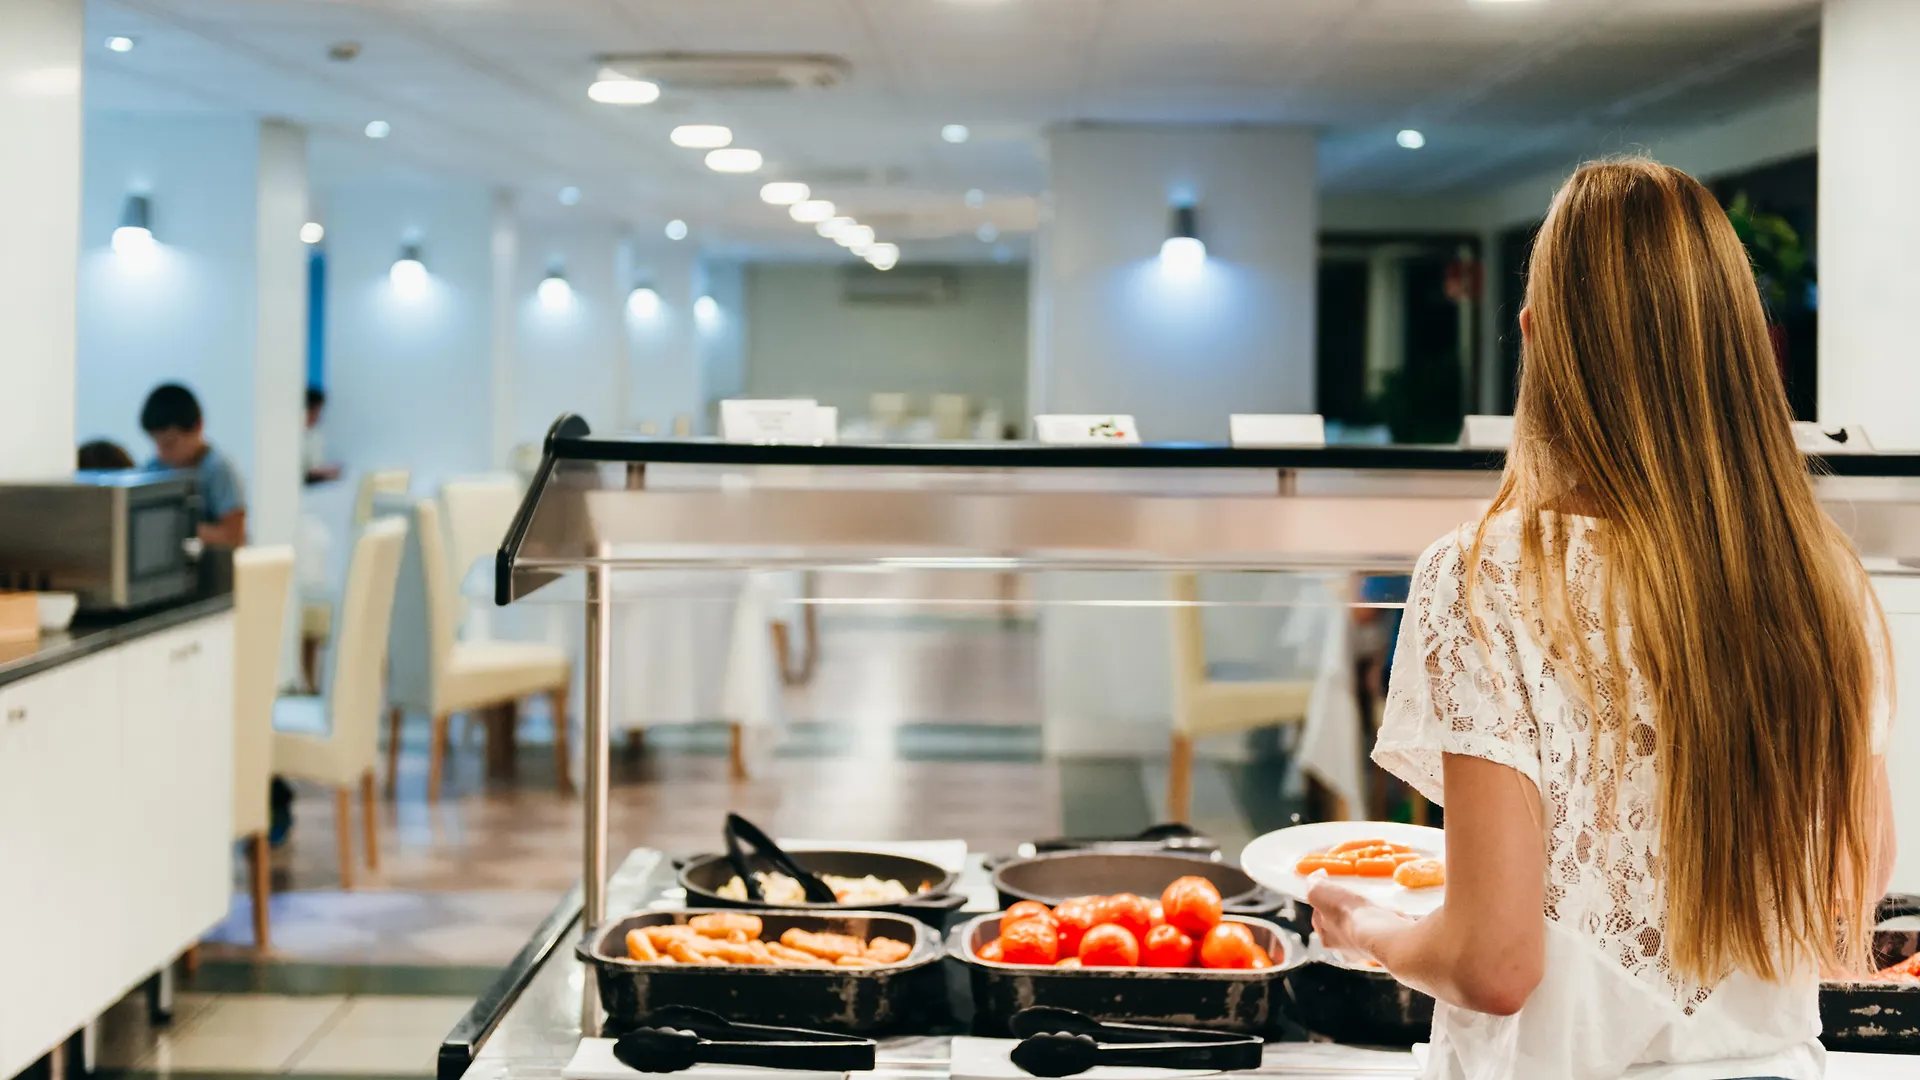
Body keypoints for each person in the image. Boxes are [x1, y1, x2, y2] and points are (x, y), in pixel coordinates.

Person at [1307, 159, 1896, 1080]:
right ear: (1738, 345)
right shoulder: (1820, 575)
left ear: (1536, 338)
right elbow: (1846, 895)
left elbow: (1494, 965)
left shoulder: (1483, 575)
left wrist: (1368, 928)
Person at [141, 383, 248, 546]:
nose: (162, 453)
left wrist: (176, 529)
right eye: (156, 444)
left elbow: (234, 535)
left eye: (170, 444)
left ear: (198, 427)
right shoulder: (155, 469)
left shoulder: (217, 470)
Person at [303, 385, 341, 484]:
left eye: (318, 411)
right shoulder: (293, 436)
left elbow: (315, 466)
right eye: (315, 411)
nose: (317, 416)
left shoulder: (315, 435)